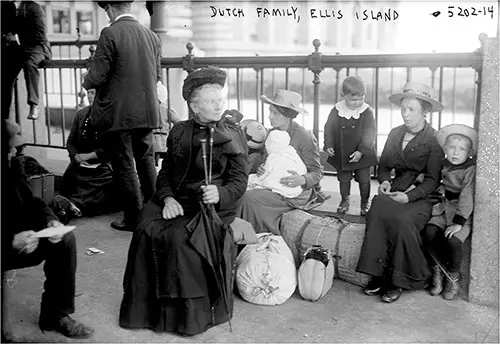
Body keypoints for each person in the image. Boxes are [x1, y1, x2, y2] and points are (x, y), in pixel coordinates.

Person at [119, 67, 248, 336]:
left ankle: (186, 318)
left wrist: (220, 194)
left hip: (211, 207)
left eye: (220, 100)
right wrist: (166, 199)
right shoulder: (179, 131)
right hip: (177, 200)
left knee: (180, 237)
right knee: (146, 226)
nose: (219, 106)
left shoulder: (233, 133)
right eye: (212, 101)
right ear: (194, 106)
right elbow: (165, 173)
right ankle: (146, 312)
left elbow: (239, 181)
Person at [1, 119, 93, 341]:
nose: (15, 152)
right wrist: (10, 242)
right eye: (9, 148)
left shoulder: (10, 168)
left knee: (65, 239)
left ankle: (55, 314)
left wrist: (51, 222)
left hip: (22, 240)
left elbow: (33, 203)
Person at [356, 82, 444, 303]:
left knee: (403, 219)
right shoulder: (395, 133)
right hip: (396, 189)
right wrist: (385, 182)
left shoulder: (434, 139)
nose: (405, 114)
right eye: (403, 109)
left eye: (412, 109)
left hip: (422, 196)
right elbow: (384, 165)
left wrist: (410, 197)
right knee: (377, 209)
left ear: (425, 111)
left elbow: (433, 180)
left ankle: (398, 280)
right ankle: (378, 274)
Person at [83, 1, 162, 232]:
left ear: (108, 8)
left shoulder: (110, 32)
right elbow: (156, 75)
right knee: (146, 161)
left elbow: (97, 76)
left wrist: (85, 79)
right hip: (147, 111)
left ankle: (133, 218)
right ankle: (156, 214)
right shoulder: (151, 35)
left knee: (125, 165)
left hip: (118, 114)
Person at [236, 89, 323, 234]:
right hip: (271, 185)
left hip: (294, 192)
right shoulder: (271, 133)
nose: (269, 116)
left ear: (287, 116)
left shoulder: (304, 136)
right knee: (239, 192)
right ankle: (243, 237)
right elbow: (269, 161)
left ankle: (252, 237)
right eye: (270, 111)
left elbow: (317, 172)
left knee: (249, 199)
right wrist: (262, 168)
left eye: (275, 113)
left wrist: (302, 179)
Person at [422, 124, 477, 300]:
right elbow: (439, 183)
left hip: (461, 215)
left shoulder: (470, 170)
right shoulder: (444, 164)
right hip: (443, 210)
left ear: (469, 152)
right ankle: (437, 270)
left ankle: (452, 276)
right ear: (445, 148)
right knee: (429, 233)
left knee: (453, 241)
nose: (455, 152)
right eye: (452, 148)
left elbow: (467, 197)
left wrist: (458, 223)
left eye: (461, 149)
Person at [52, 89, 117, 223]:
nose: (90, 96)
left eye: (94, 92)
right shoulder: (81, 114)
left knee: (97, 192)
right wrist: (76, 156)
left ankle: (71, 207)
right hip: (81, 165)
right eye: (89, 93)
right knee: (72, 183)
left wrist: (89, 156)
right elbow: (70, 141)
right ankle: (69, 207)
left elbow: (112, 147)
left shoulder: (111, 115)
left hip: (103, 167)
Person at [323, 76, 378, 216]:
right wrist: (328, 144)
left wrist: (361, 150)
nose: (356, 103)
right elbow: (329, 128)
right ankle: (344, 200)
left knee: (364, 180)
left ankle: (365, 202)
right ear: (343, 96)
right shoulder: (337, 110)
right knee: (344, 179)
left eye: (360, 99)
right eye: (352, 100)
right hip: (343, 152)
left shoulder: (366, 111)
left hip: (362, 153)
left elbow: (370, 133)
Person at [15, 1, 52, 120]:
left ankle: (34, 104)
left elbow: (40, 33)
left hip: (39, 47)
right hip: (25, 48)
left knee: (30, 64)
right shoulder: (18, 7)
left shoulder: (34, 7)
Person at [247, 129, 307, 198]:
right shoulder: (292, 153)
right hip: (296, 191)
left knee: (248, 184)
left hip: (281, 191)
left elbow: (262, 177)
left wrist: (251, 179)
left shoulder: (274, 156)